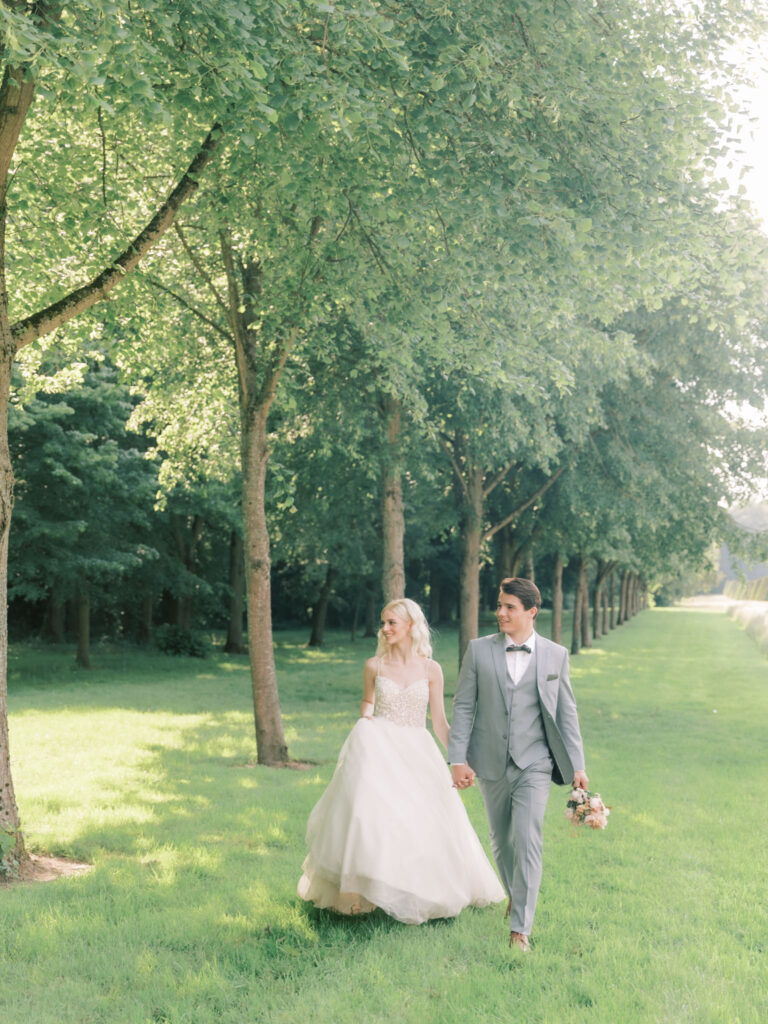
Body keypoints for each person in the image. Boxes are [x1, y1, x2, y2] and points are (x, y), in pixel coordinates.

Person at [298, 597, 505, 924]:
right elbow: (367, 703)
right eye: (383, 622)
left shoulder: (430, 669)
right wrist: (366, 719)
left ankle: (419, 890)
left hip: (416, 749)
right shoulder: (374, 666)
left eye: (392, 622)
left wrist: (462, 758)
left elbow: (438, 723)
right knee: (373, 819)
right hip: (378, 745)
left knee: (422, 820)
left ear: (411, 625)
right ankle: (365, 890)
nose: (385, 628)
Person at [448, 577, 588, 951]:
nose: (500, 613)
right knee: (502, 842)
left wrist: (577, 763)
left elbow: (566, 712)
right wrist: (457, 759)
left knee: (528, 840)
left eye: (509, 606)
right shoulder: (478, 651)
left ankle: (520, 929)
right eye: (499, 605)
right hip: (490, 760)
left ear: (531, 611)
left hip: (536, 762)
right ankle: (515, 893)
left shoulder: (556, 655)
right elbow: (463, 706)